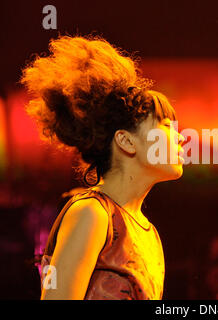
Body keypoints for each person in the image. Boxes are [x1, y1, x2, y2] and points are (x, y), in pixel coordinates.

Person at [20, 35, 185, 300]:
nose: (180, 136)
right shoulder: (91, 213)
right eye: (166, 126)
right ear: (126, 141)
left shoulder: (149, 233)